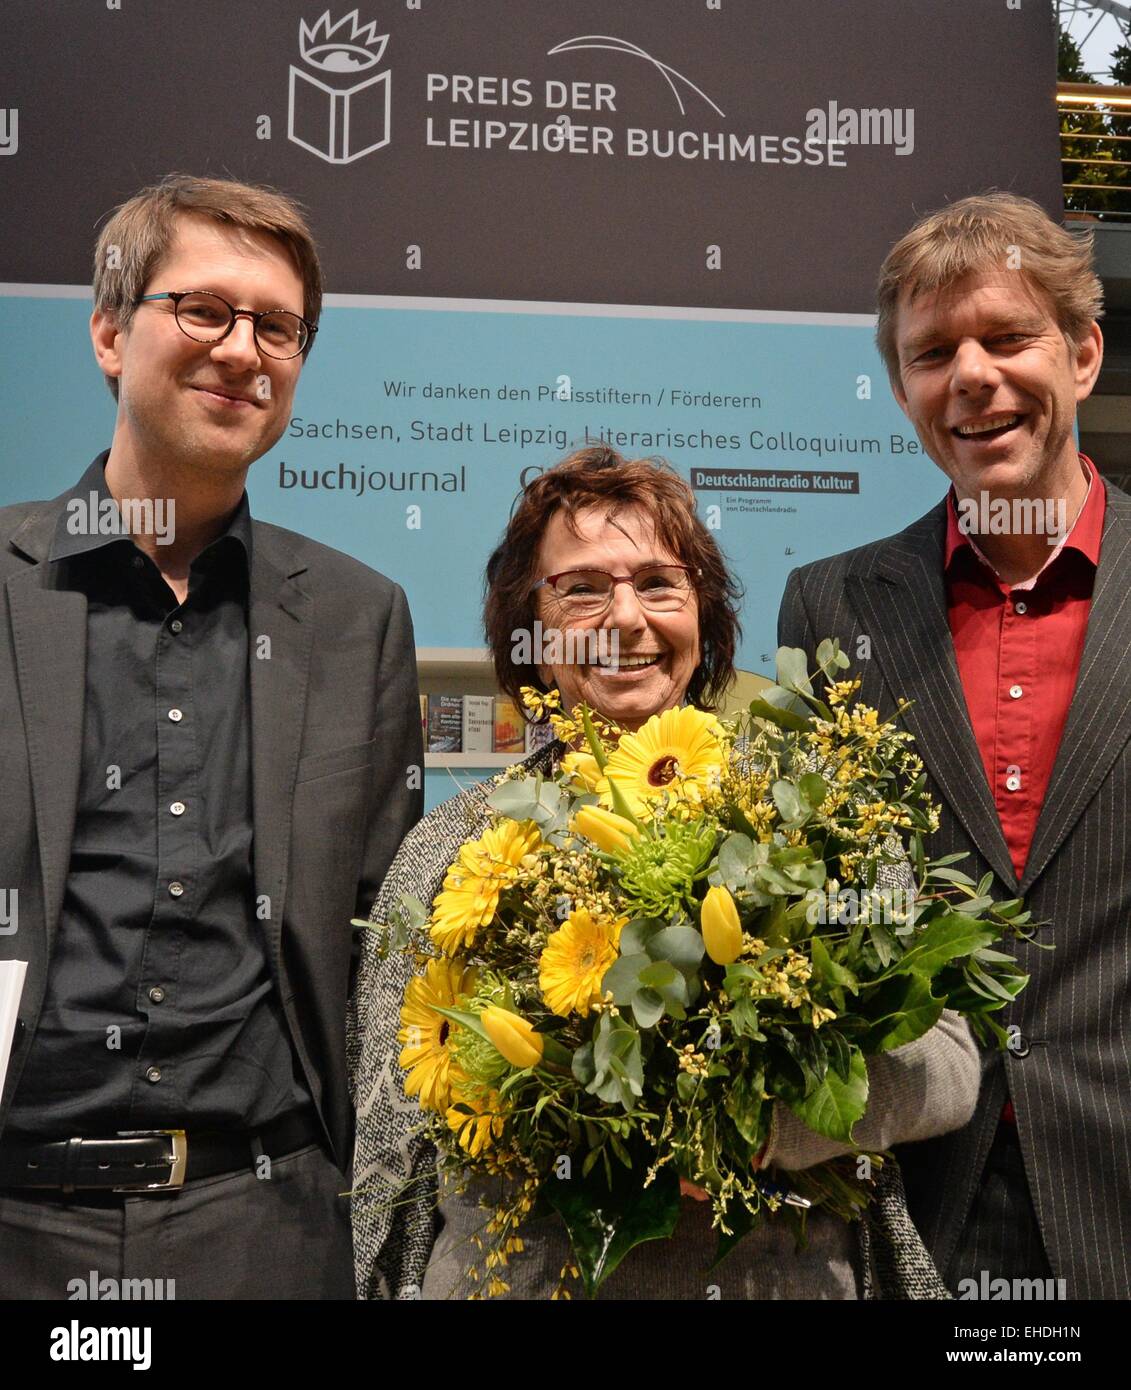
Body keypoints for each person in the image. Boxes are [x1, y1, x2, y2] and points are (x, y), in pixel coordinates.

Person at [350, 444, 981, 1299]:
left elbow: (947, 1067)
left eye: (658, 583)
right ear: (526, 636)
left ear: (704, 618)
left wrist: (758, 1120)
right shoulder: (446, 849)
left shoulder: (810, 815)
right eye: (581, 588)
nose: (627, 618)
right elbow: (391, 1133)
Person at [0, 175, 422, 1299]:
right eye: (203, 310)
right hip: (21, 1221)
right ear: (106, 331)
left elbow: (389, 942)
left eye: (278, 327)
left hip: (268, 1226)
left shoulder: (354, 616)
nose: (244, 350)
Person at [777, 191, 1129, 1300]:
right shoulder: (829, 606)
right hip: (914, 1194)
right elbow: (816, 903)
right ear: (903, 393)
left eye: (1008, 337)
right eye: (934, 353)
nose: (971, 374)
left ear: (1082, 355)